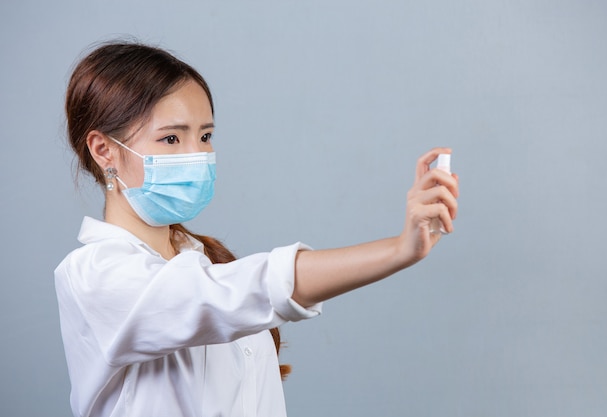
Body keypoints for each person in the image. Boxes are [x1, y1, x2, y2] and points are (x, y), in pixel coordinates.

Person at [55, 41, 459, 417]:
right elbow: (233, 293)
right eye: (172, 138)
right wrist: (398, 250)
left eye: (206, 135)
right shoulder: (95, 275)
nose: (197, 155)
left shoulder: (205, 259)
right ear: (104, 150)